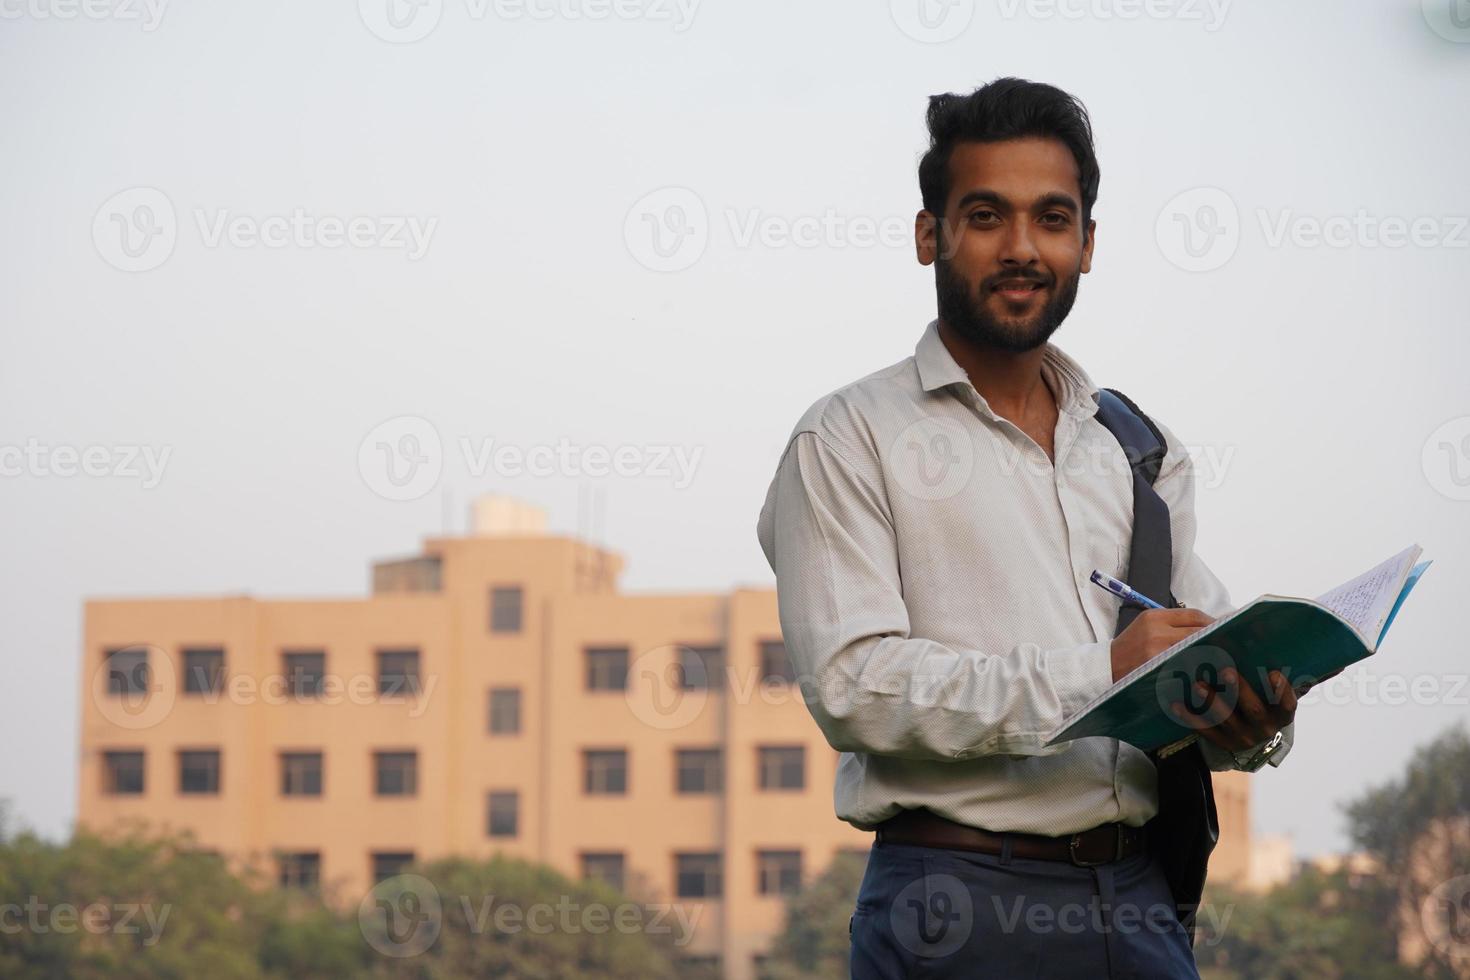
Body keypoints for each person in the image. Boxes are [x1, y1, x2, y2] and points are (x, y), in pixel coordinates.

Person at [755, 77, 1297, 978]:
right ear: (931, 234)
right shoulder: (849, 436)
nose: (1021, 248)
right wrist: (1106, 672)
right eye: (985, 216)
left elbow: (1192, 648)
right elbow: (854, 686)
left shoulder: (1138, 447)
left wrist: (1246, 715)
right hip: (951, 901)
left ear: (1087, 245)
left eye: (1052, 218)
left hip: (1141, 901)